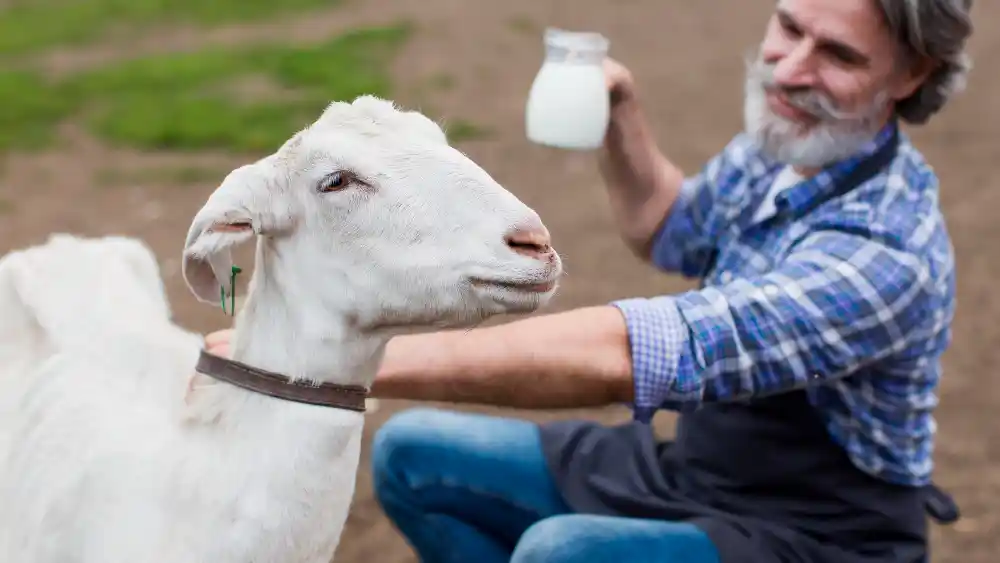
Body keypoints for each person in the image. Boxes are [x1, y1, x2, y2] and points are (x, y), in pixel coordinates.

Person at [206, 0, 974, 561]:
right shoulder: (793, 143)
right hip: (697, 470)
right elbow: (670, 227)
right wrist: (624, 121)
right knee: (412, 453)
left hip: (820, 532)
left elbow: (638, 354)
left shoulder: (888, 250)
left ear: (915, 73)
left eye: (837, 56)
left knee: (561, 553)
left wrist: (349, 363)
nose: (791, 67)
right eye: (788, 27)